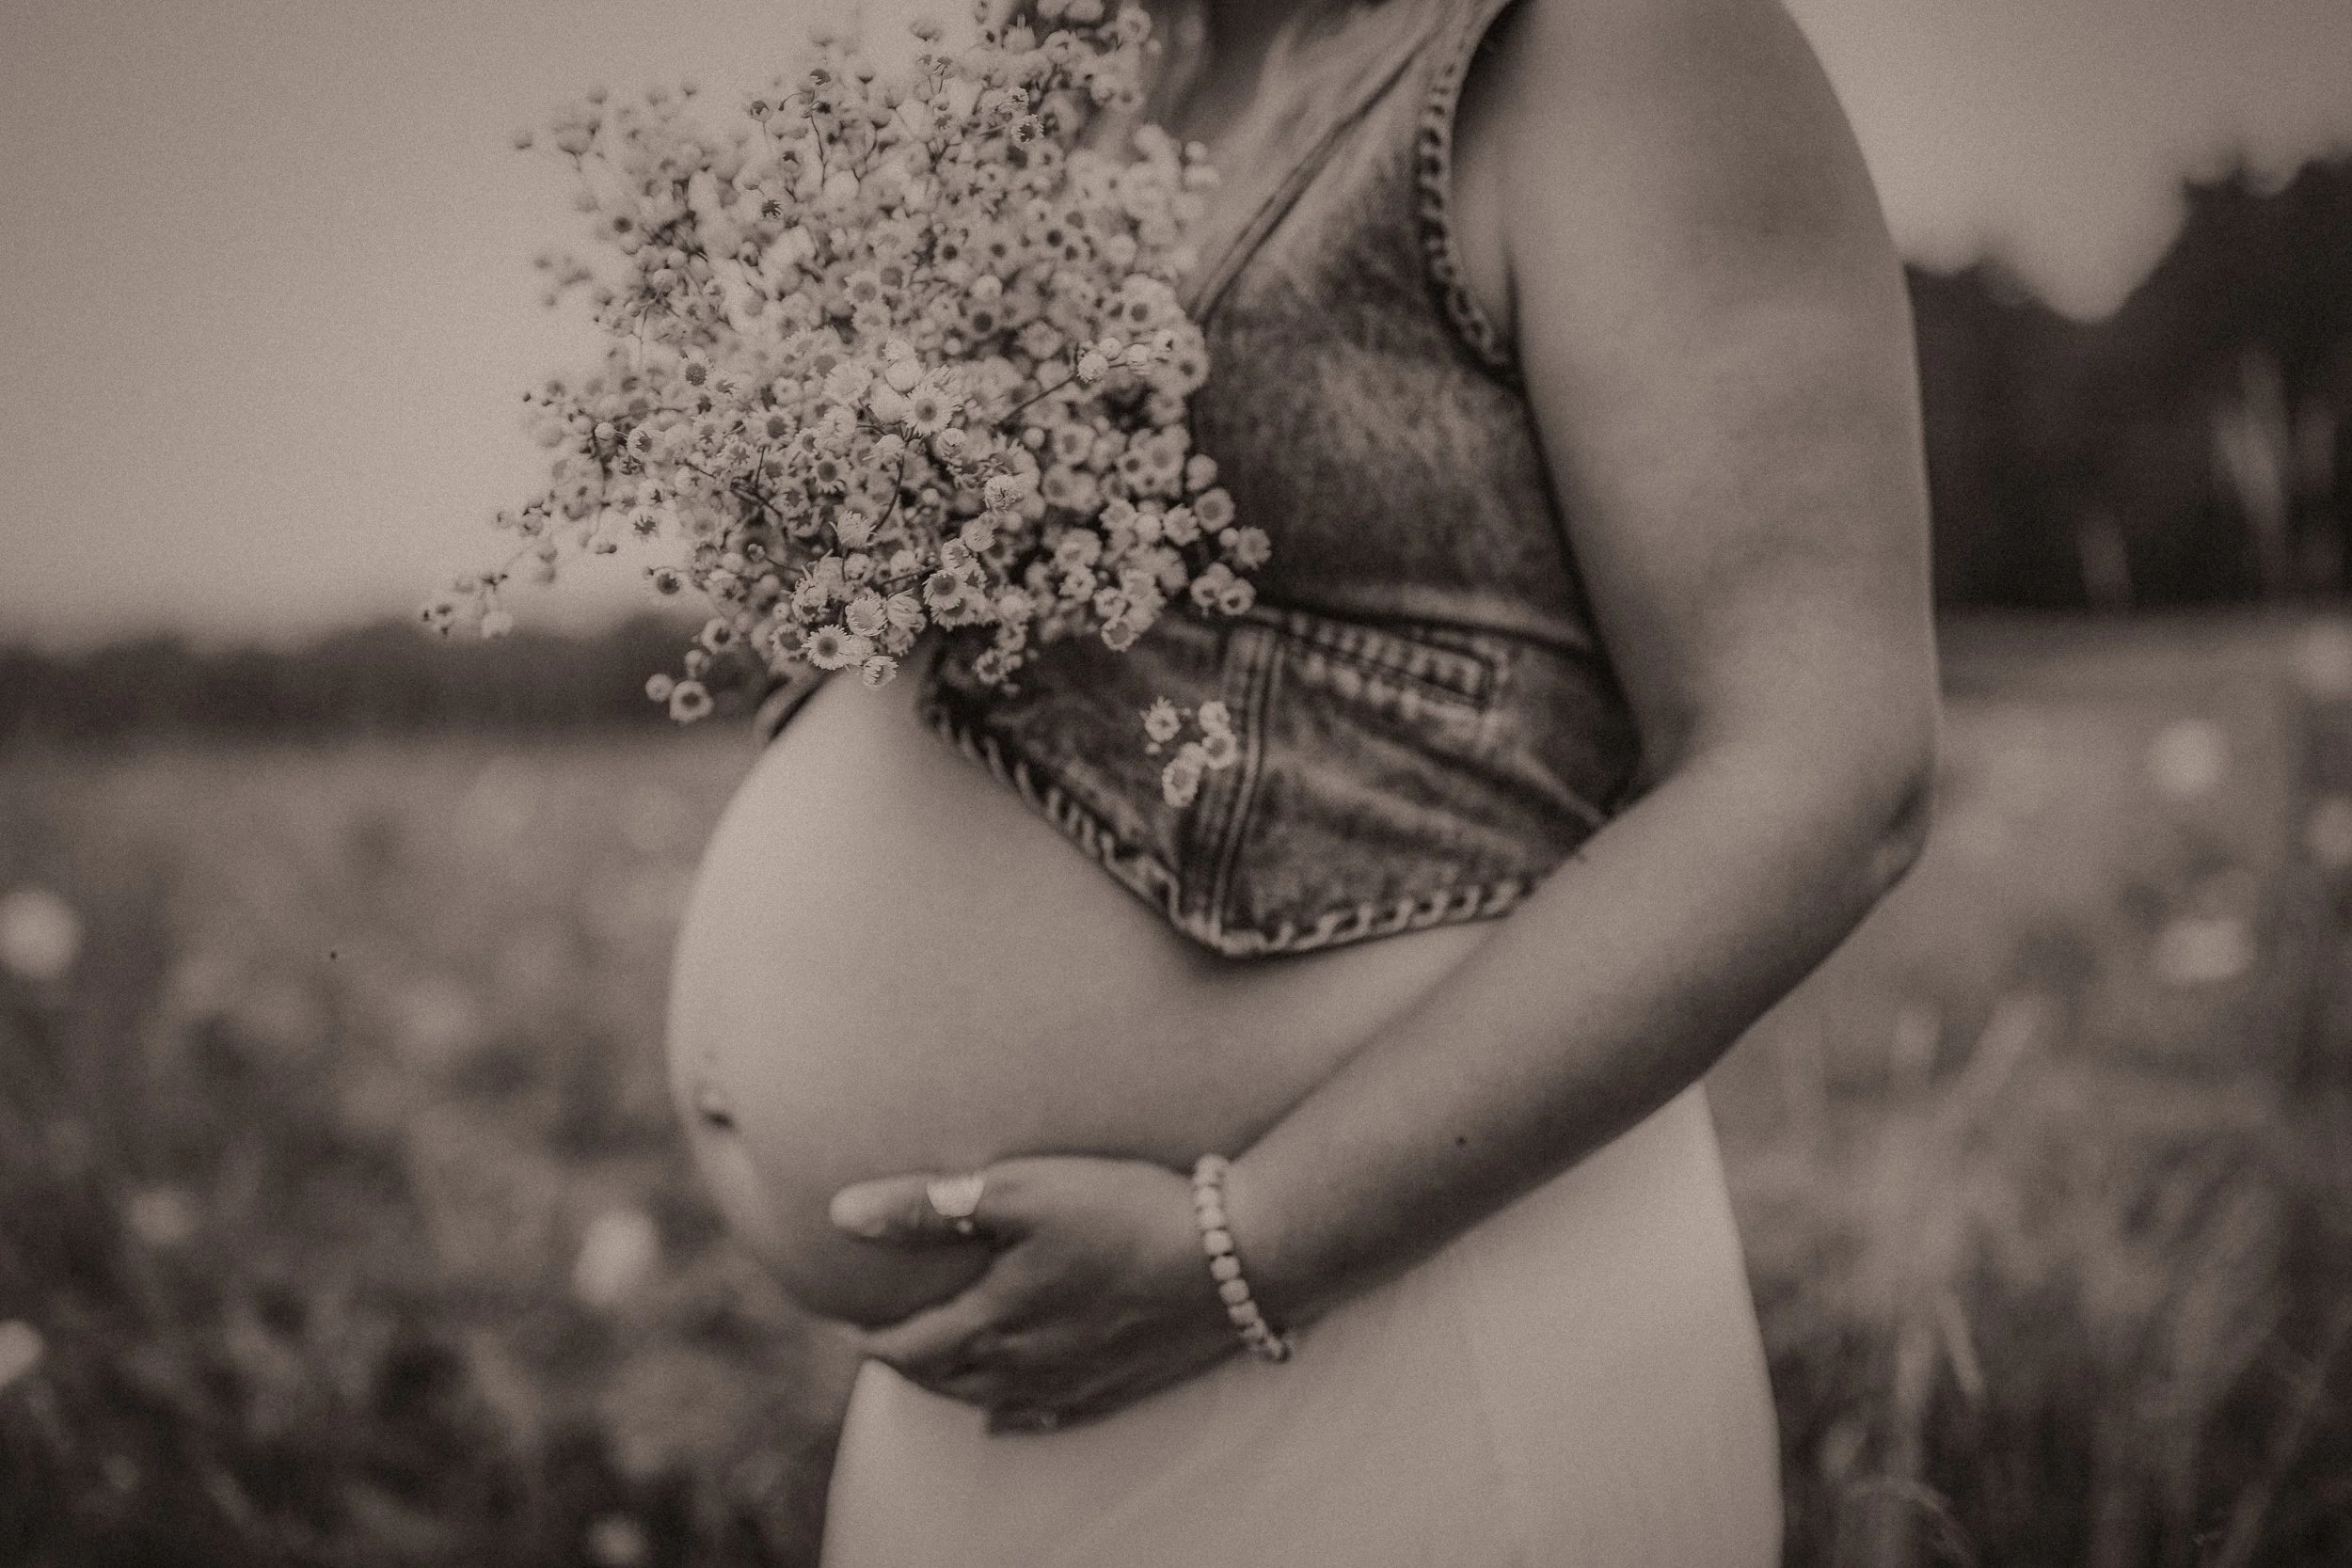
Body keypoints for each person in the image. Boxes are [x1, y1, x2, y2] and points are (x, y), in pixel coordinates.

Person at [662, 0, 1937, 1559]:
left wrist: (1243, 1250)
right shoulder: (1068, 77)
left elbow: (1819, 767)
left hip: (1392, 1342)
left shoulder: (1620, 43)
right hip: (999, 1400)